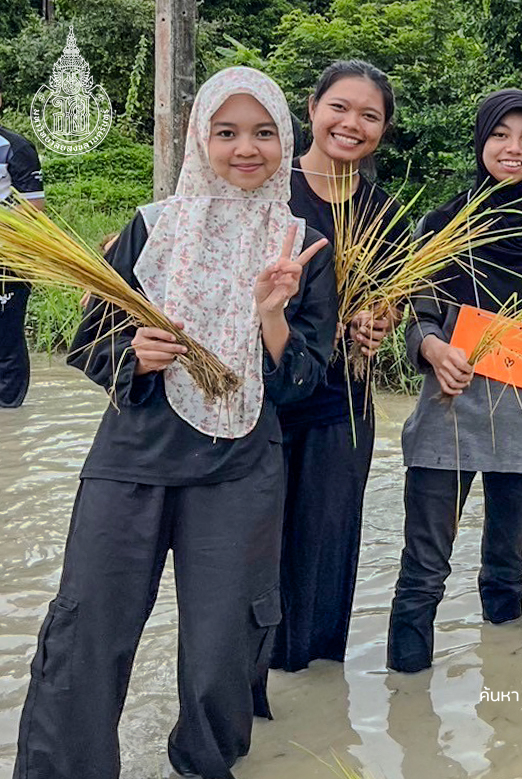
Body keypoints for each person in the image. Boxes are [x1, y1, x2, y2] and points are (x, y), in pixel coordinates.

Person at [13, 67, 337, 779]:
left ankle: (203, 765)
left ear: (285, 141)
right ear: (201, 139)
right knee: (87, 630)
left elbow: (306, 382)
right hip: (132, 456)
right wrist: (134, 352)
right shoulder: (153, 226)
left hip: (240, 468)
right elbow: (89, 338)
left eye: (262, 133)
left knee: (223, 642)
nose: (244, 149)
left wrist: (272, 316)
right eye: (227, 132)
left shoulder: (301, 244)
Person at [386, 89, 522, 674]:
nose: (514, 148)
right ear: (481, 141)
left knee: (507, 567)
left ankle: (505, 695)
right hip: (446, 418)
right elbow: (420, 319)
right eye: (501, 135)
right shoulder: (442, 225)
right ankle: (408, 700)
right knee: (425, 567)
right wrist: (432, 347)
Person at [270, 60, 407, 676]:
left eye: (369, 115)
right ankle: (256, 676)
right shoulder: (269, 188)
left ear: (383, 129)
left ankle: (317, 684)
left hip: (341, 403)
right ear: (312, 107)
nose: (351, 124)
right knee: (256, 543)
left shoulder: (385, 212)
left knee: (326, 545)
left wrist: (380, 322)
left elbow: (394, 300)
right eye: (340, 108)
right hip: (262, 400)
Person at [0, 74, 46, 409]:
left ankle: (10, 414)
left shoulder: (15, 148)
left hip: (8, 260)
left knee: (6, 341)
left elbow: (33, 211)